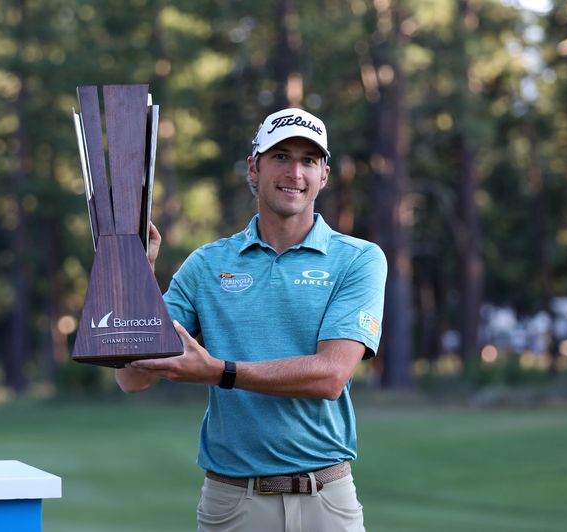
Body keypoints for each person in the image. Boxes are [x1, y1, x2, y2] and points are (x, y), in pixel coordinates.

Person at [117, 108, 387, 532]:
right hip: (232, 504)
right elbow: (133, 377)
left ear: (324, 175)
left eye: (308, 160)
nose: (294, 172)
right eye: (280, 156)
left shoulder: (358, 259)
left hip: (327, 504)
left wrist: (219, 372)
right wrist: (136, 275)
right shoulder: (207, 265)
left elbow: (330, 376)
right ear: (253, 167)